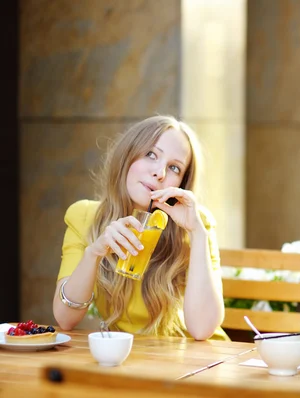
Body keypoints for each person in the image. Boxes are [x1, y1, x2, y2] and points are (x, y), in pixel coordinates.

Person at [53, 115, 228, 341]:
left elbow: (203, 330)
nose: (160, 173)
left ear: (181, 184)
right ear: (127, 156)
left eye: (174, 168)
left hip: (194, 360)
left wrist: (197, 233)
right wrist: (94, 253)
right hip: (129, 359)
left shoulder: (195, 223)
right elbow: (65, 319)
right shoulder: (85, 216)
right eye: (151, 154)